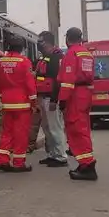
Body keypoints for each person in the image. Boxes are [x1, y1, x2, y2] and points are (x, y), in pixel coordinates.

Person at [58, 27, 98, 181]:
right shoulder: (87, 53)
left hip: (74, 95)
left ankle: (87, 165)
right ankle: (84, 164)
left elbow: (67, 81)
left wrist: (62, 100)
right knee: (83, 129)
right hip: (85, 94)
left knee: (76, 131)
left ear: (67, 39)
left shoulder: (71, 53)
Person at [0, 36, 38, 172]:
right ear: (22, 48)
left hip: (7, 103)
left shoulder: (0, 63)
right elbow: (30, 84)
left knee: (6, 132)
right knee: (21, 134)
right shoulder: (24, 62)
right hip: (22, 104)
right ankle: (19, 163)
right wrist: (34, 102)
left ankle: (2, 160)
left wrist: (2, 97)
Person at [35, 31, 68, 167]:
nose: (39, 44)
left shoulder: (56, 57)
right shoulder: (44, 57)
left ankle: (61, 156)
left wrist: (54, 100)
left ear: (47, 42)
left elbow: (58, 80)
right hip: (43, 97)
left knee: (55, 127)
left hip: (51, 98)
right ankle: (52, 154)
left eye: (41, 42)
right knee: (47, 128)